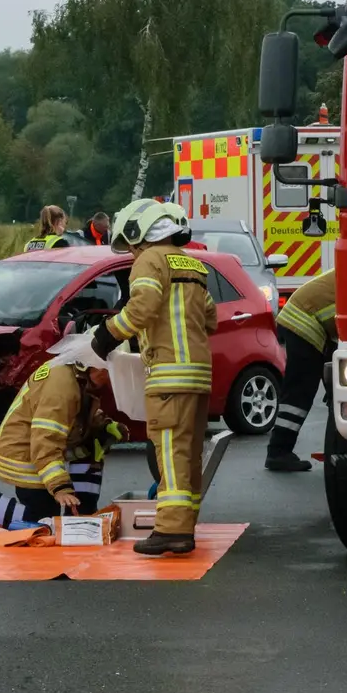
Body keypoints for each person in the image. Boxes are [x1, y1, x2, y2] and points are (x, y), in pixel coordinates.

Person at [83, 198, 218, 555]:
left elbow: (141, 307)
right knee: (188, 454)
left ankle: (171, 530)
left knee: (170, 452)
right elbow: (211, 319)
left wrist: (106, 335)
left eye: (129, 246)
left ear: (138, 232)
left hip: (168, 373)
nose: (130, 254)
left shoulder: (149, 260)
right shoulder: (192, 264)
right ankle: (184, 525)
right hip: (198, 373)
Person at [0, 348, 125, 536]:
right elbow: (46, 442)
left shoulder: (76, 376)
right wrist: (60, 487)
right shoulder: (62, 388)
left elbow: (74, 414)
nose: (113, 379)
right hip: (26, 454)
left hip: (41, 448)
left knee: (76, 519)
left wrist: (103, 426)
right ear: (98, 368)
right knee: (42, 525)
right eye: (112, 372)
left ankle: (77, 521)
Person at [265, 269, 336, 472]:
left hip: (306, 320)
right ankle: (279, 452)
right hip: (304, 323)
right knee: (300, 390)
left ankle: (280, 450)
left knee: (326, 389)